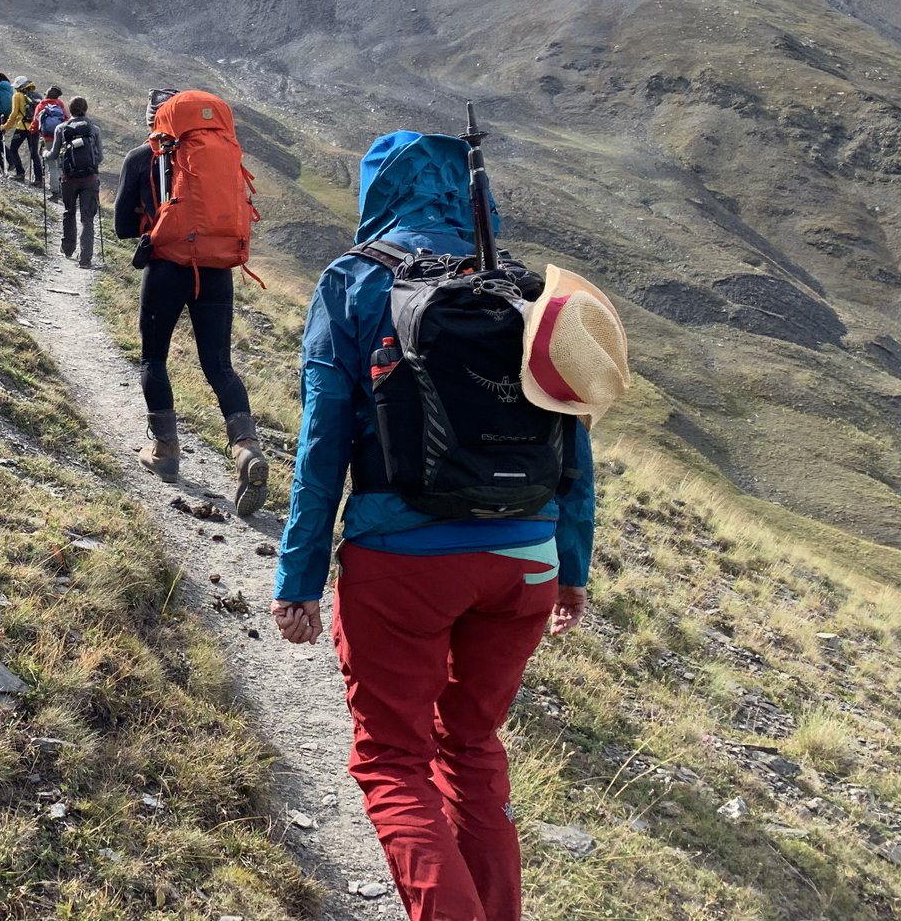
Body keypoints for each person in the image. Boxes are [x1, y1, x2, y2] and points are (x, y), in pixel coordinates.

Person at [269, 131, 625, 921]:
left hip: (403, 560)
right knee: (470, 748)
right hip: (525, 560)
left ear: (378, 189)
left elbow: (322, 446)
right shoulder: (530, 291)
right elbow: (574, 446)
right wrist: (571, 567)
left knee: (394, 762)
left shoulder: (354, 282)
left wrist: (299, 580)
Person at [114, 88, 267, 515]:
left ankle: (165, 452)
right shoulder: (219, 154)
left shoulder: (141, 158)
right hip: (216, 271)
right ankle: (246, 450)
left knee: (154, 359)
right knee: (219, 365)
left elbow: (125, 227)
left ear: (154, 120)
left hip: (166, 269)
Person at [51, 97, 103, 267]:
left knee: (69, 212)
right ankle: (85, 259)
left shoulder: (61, 128)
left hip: (68, 178)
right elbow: (100, 157)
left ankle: (67, 248)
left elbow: (53, 154)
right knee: (87, 219)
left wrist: (44, 154)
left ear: (70, 110)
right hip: (90, 179)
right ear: (85, 109)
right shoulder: (94, 129)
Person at [32, 85, 68, 198]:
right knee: (60, 165)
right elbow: (67, 120)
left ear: (47, 94)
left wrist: (33, 131)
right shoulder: (60, 106)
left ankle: (55, 192)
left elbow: (36, 122)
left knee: (52, 165)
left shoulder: (42, 105)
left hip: (47, 138)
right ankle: (63, 189)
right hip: (61, 138)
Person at [5, 78, 42, 183]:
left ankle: (20, 173)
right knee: (34, 153)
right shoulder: (37, 96)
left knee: (13, 149)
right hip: (34, 128)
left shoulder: (17, 96)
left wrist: (5, 127)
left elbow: (14, 114)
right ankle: (39, 179)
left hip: (22, 128)